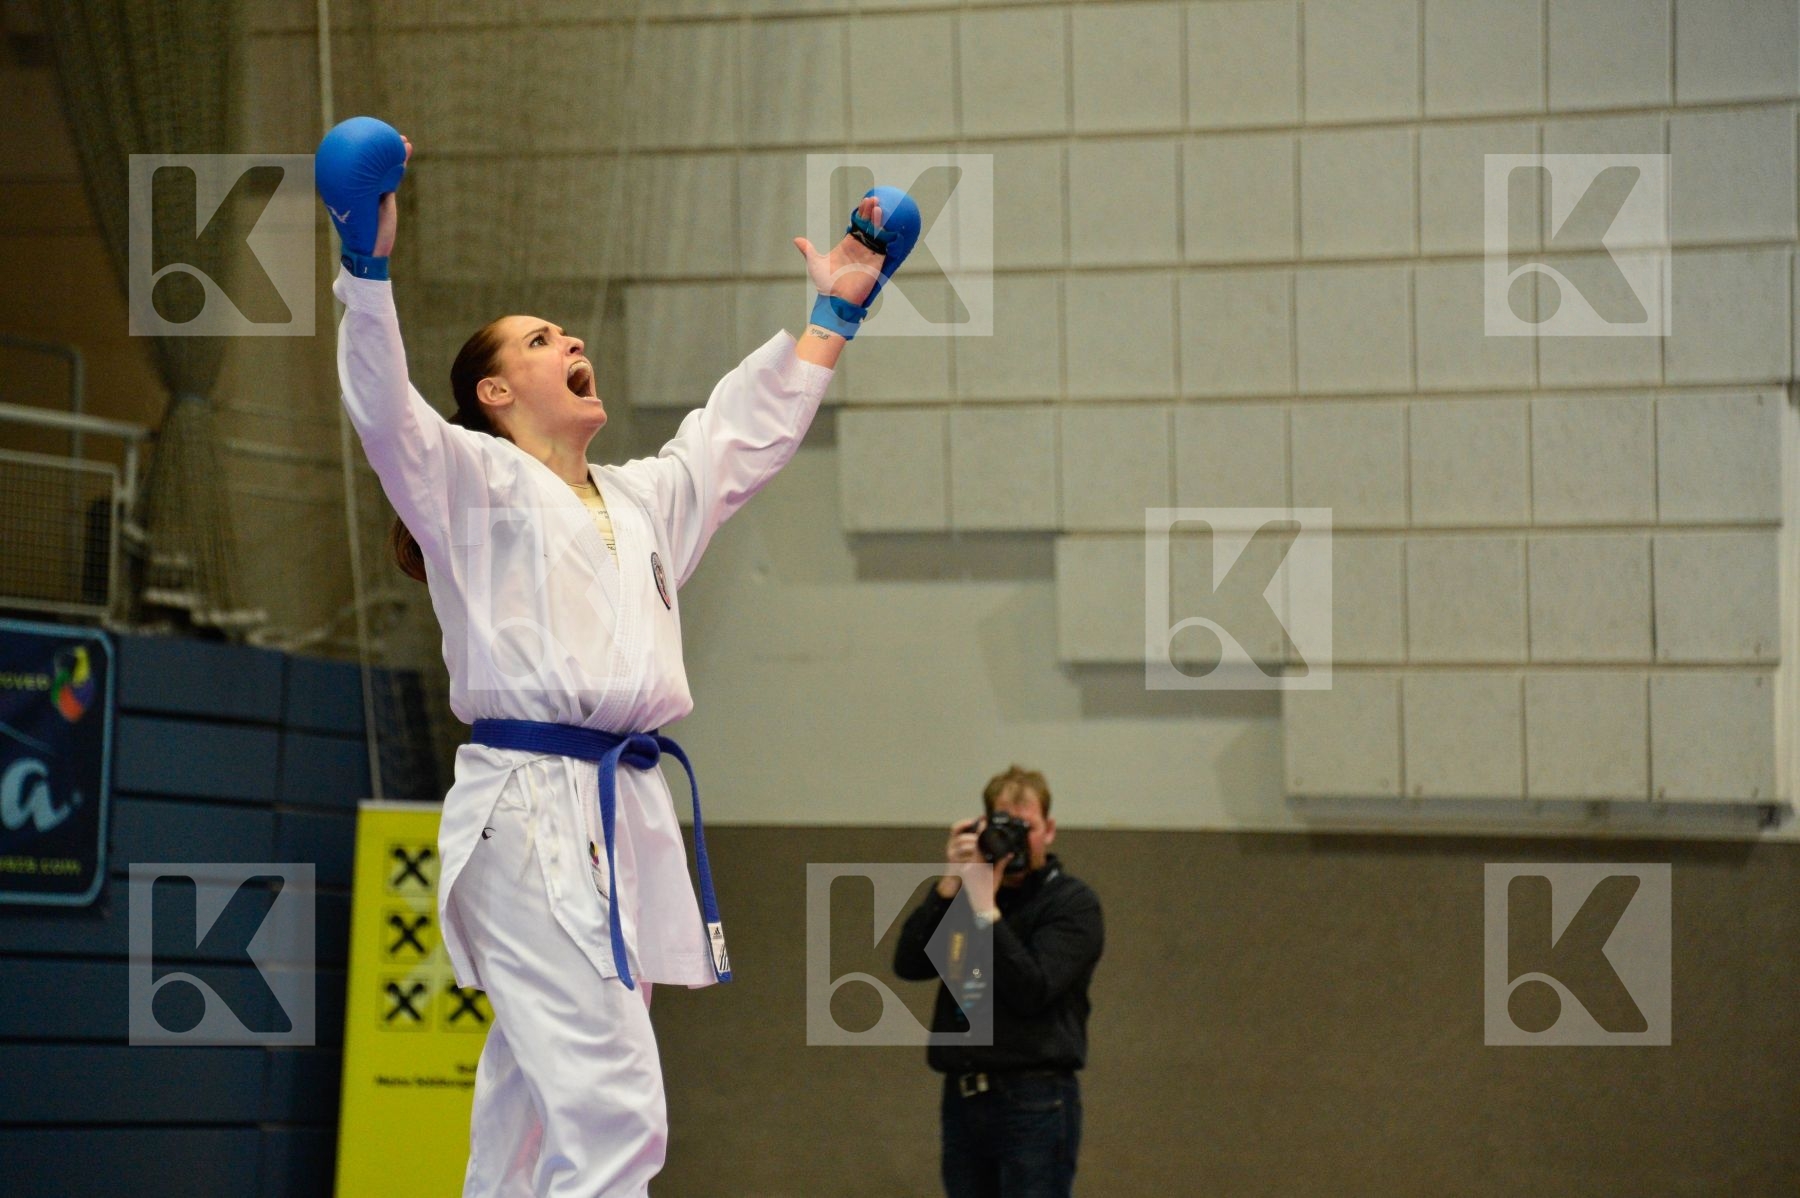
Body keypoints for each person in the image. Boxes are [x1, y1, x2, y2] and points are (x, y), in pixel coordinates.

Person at [315, 115, 916, 1198]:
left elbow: (742, 435)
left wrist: (839, 307)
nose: (569, 343)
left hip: (617, 810)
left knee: (532, 1118)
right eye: (538, 340)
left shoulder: (638, 502)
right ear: (495, 394)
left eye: (568, 334)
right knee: (617, 1114)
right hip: (529, 806)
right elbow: (383, 414)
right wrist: (366, 266)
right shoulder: (471, 484)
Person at [893, 766, 1105, 1198]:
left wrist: (987, 911)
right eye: (1001, 827)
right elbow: (909, 963)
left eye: (1023, 826)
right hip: (965, 1098)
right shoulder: (968, 891)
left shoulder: (1071, 904)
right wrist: (950, 882)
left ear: (1049, 830)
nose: (1012, 841)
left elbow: (1033, 989)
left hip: (1034, 1100)